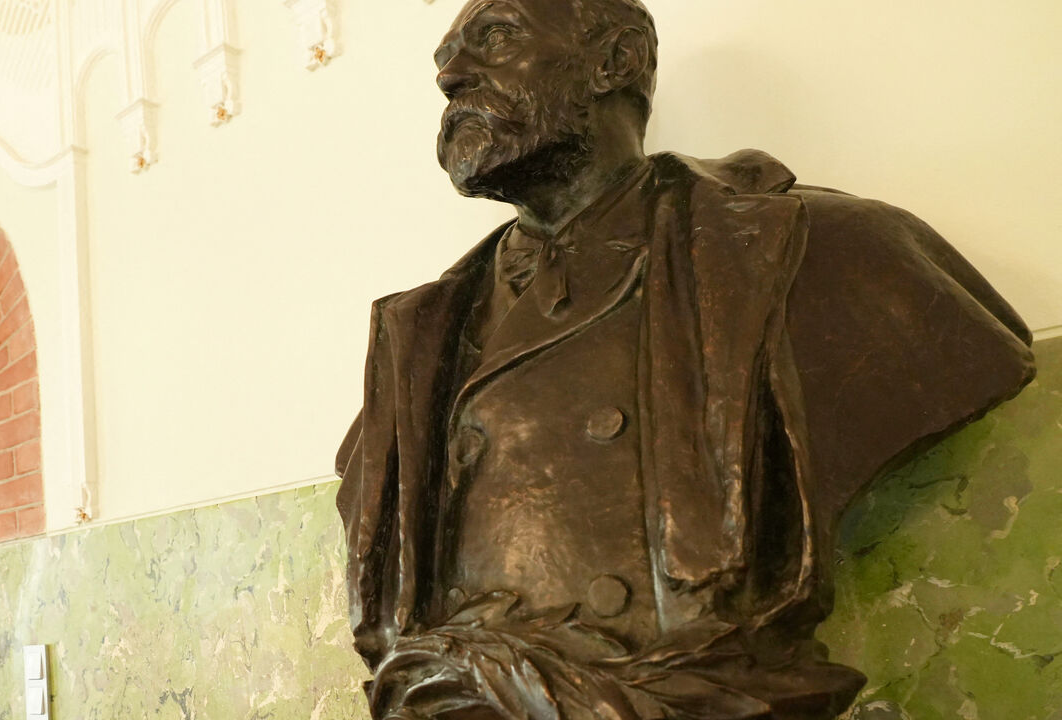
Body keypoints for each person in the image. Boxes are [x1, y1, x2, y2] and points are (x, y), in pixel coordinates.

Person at [334, 1, 1035, 717]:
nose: (451, 76)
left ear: (618, 61)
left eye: (496, 38)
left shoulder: (826, 252)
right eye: (446, 57)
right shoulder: (419, 335)